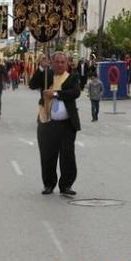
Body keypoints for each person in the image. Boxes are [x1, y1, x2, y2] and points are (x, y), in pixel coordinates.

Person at [29, 52, 81, 196]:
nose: (59, 64)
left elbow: (75, 92)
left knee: (67, 156)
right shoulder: (46, 74)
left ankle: (66, 185)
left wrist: (56, 94)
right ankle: (49, 184)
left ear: (66, 63)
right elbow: (32, 85)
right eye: (56, 62)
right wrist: (40, 67)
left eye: (62, 62)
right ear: (51, 63)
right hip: (47, 123)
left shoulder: (72, 76)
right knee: (47, 156)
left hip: (67, 124)